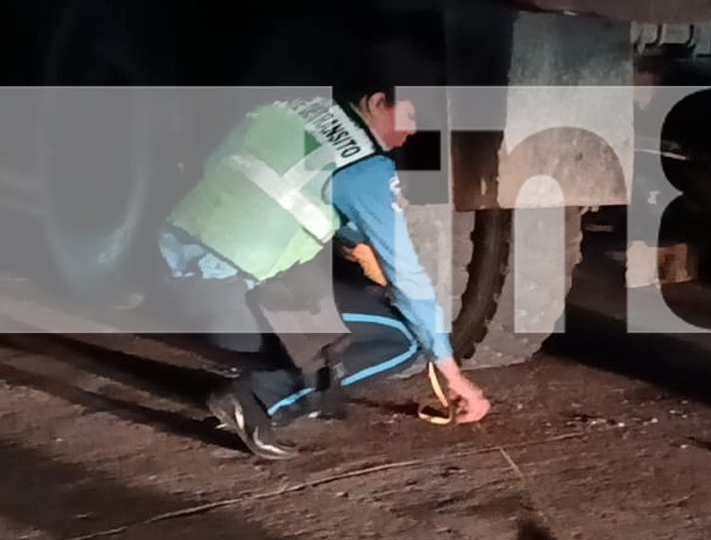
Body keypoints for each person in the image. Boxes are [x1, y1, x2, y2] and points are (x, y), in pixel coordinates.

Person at [157, 68, 490, 459]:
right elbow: (409, 278)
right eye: (412, 118)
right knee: (403, 340)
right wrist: (453, 375)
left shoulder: (288, 109)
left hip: (169, 278)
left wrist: (356, 237)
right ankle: (259, 400)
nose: (413, 133)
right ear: (378, 102)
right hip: (224, 311)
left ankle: (264, 370)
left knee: (351, 294)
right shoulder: (367, 170)